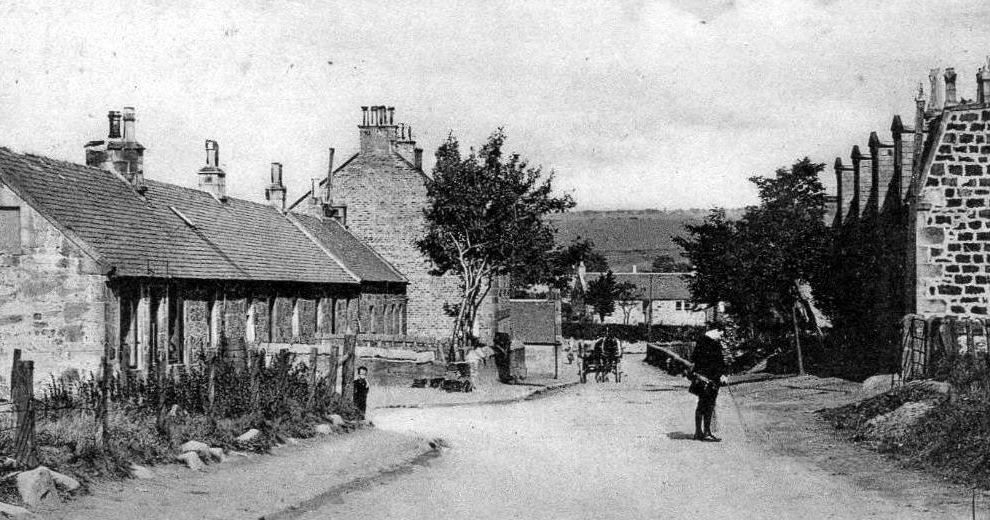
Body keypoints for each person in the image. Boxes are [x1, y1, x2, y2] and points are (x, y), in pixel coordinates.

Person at [690, 328, 729, 442]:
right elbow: (718, 362)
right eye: (720, 333)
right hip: (711, 380)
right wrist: (723, 374)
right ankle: (706, 432)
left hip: (700, 379)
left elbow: (694, 359)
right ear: (716, 331)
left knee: (701, 405)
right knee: (709, 405)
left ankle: (698, 432)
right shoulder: (714, 344)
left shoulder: (700, 341)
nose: (721, 335)